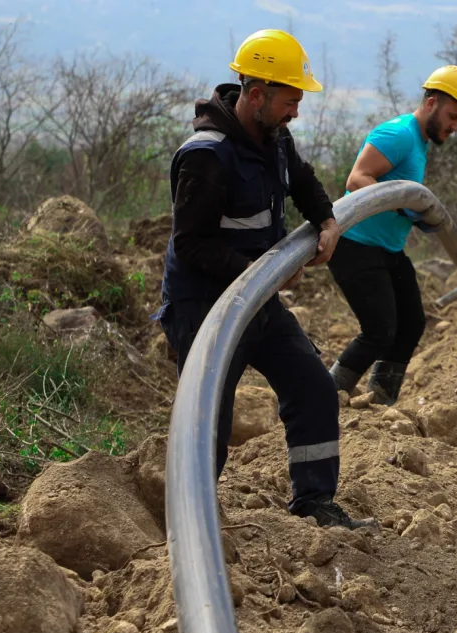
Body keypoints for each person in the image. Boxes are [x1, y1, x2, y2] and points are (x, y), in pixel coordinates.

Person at [152, 29, 373, 530]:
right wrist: (266, 273)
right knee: (209, 420)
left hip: (257, 299)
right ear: (257, 95)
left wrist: (327, 221)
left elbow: (303, 179)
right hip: (204, 306)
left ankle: (314, 503)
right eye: (290, 101)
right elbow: (191, 243)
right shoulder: (207, 155)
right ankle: (191, 526)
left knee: (313, 387)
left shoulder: (274, 138)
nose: (296, 111)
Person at [326, 65, 457, 405]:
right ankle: (321, 395)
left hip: (387, 249)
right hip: (356, 246)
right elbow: (357, 180)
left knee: (411, 324)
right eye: (453, 116)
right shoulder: (399, 134)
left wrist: (418, 214)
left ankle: (380, 402)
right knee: (379, 332)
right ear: (431, 103)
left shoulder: (419, 142)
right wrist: (407, 209)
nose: (455, 127)